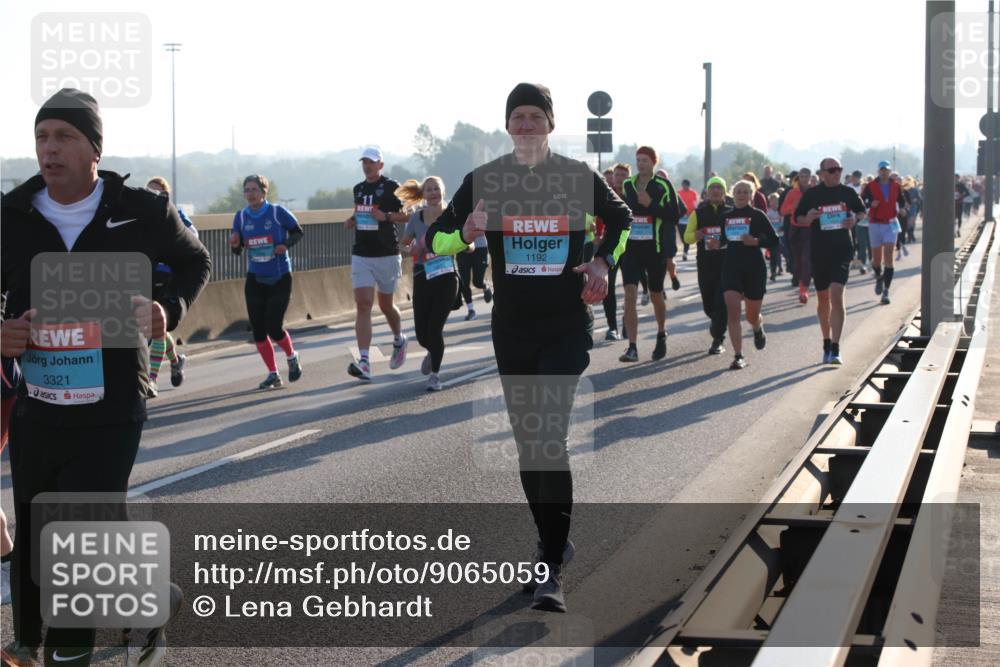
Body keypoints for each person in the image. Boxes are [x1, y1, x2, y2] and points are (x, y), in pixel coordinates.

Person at [1, 88, 211, 667]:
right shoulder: (11, 216)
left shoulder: (142, 211)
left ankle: (67, 651)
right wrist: (3, 332)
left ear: (94, 148)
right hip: (38, 401)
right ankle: (131, 606)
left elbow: (196, 261)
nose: (50, 148)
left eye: (64, 136)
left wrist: (168, 308)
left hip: (112, 401)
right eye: (42, 136)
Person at [426, 83, 630, 612]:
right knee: (527, 445)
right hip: (512, 328)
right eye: (518, 116)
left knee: (548, 439)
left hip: (566, 324)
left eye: (536, 116)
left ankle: (551, 568)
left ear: (551, 124)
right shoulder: (486, 180)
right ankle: (549, 543)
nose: (526, 125)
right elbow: (436, 240)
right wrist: (464, 234)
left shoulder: (574, 177)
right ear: (508, 125)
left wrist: (604, 262)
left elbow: (623, 219)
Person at [230, 174, 304, 388]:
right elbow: (237, 249)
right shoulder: (241, 217)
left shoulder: (277, 212)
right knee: (258, 330)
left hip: (279, 276)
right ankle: (273, 373)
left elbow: (298, 232)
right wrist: (234, 243)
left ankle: (291, 356)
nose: (250, 194)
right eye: (247, 190)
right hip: (255, 277)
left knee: (274, 326)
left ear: (264, 192)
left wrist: (285, 245)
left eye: (254, 190)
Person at [344, 148, 409, 381]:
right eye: (364, 162)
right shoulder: (358, 189)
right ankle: (364, 362)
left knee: (386, 306)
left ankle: (399, 339)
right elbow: (360, 211)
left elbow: (409, 215)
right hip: (362, 254)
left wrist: (387, 216)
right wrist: (352, 220)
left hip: (387, 253)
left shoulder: (392, 186)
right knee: (363, 304)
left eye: (371, 162)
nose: (367, 166)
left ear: (381, 165)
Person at [795, 157, 867, 365]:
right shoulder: (812, 194)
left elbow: (861, 211)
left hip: (843, 250)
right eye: (832, 170)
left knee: (837, 294)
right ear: (823, 173)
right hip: (820, 251)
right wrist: (808, 218)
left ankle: (836, 347)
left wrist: (854, 219)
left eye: (839, 169)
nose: (837, 173)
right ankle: (826, 342)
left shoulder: (848, 192)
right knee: (823, 299)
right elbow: (797, 217)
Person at [618, 146, 680, 362]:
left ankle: (661, 332)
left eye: (645, 160)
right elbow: (623, 211)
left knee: (655, 294)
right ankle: (632, 347)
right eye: (638, 160)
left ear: (653, 162)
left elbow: (675, 214)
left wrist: (651, 204)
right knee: (629, 294)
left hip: (655, 249)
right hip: (632, 249)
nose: (640, 163)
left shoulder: (663, 185)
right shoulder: (628, 184)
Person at [398, 177, 459, 392]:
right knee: (422, 334)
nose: (433, 193)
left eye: (437, 189)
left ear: (443, 191)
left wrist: (458, 245)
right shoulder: (416, 218)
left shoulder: (452, 216)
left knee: (434, 331)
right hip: (423, 277)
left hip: (447, 277)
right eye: (429, 190)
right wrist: (410, 249)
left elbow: (468, 243)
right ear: (423, 194)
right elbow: (403, 244)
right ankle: (433, 351)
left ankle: (435, 375)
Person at [144, 176, 195, 395]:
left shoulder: (175, 213)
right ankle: (176, 360)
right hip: (146, 276)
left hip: (169, 278)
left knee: (158, 327)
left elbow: (194, 236)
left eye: (157, 193)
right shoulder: (141, 216)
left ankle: (151, 380)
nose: (152, 197)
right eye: (149, 193)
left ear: (166, 196)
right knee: (157, 327)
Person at [721, 180, 780, 369]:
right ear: (733, 194)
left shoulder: (758, 215)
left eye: (746, 191)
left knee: (751, 315)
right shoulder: (726, 216)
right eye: (738, 191)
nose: (741, 194)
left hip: (754, 267)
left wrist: (755, 241)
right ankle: (738, 355)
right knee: (732, 311)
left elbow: (773, 240)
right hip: (732, 266)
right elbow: (720, 238)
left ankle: (757, 326)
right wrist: (714, 242)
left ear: (751, 195)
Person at [684, 176, 732, 355]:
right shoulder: (699, 212)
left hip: (727, 262)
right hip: (705, 263)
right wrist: (695, 236)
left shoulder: (731, 211)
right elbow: (687, 236)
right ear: (707, 192)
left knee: (722, 302)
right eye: (713, 188)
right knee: (709, 305)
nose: (716, 191)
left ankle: (718, 338)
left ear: (724, 191)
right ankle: (718, 323)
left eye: (720, 188)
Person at [861, 162, 906, 305]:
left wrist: (904, 209)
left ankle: (886, 291)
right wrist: (869, 204)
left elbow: (902, 201)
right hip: (875, 223)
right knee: (876, 259)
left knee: (888, 256)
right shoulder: (871, 186)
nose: (884, 173)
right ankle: (879, 277)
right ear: (878, 171)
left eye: (886, 170)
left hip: (890, 223)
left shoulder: (896, 186)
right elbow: (862, 201)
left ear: (889, 171)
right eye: (881, 170)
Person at [781, 167, 813, 304]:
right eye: (802, 176)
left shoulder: (814, 192)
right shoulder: (792, 193)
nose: (805, 179)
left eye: (807, 176)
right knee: (798, 261)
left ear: (810, 178)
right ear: (798, 178)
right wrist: (793, 207)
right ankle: (800, 281)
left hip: (811, 229)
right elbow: (782, 211)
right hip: (796, 229)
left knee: (806, 259)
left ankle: (803, 291)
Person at [456, 224, 493, 321]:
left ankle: (484, 286)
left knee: (477, 282)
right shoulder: (454, 210)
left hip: (480, 247)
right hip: (462, 248)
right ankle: (471, 310)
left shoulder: (480, 209)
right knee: (464, 282)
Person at [847, 169, 870, 275]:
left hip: (865, 220)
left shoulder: (865, 188)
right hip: (851, 218)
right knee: (854, 242)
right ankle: (854, 261)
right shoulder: (848, 188)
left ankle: (866, 263)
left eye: (856, 177)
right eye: (853, 176)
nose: (854, 178)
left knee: (865, 244)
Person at [677, 179, 699, 261]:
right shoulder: (679, 193)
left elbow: (695, 204)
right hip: (681, 217)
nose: (683, 186)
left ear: (688, 185)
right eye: (682, 185)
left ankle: (685, 253)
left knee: (687, 235)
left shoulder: (693, 193)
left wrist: (693, 213)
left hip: (690, 217)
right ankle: (685, 248)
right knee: (682, 237)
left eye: (685, 185)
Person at [766, 192, 784, 280]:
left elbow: (783, 221)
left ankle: (781, 267)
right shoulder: (768, 213)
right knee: (774, 254)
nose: (773, 204)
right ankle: (773, 271)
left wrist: (782, 227)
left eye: (775, 202)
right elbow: (767, 224)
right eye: (771, 202)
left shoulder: (781, 211)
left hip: (781, 235)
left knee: (780, 252)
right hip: (773, 235)